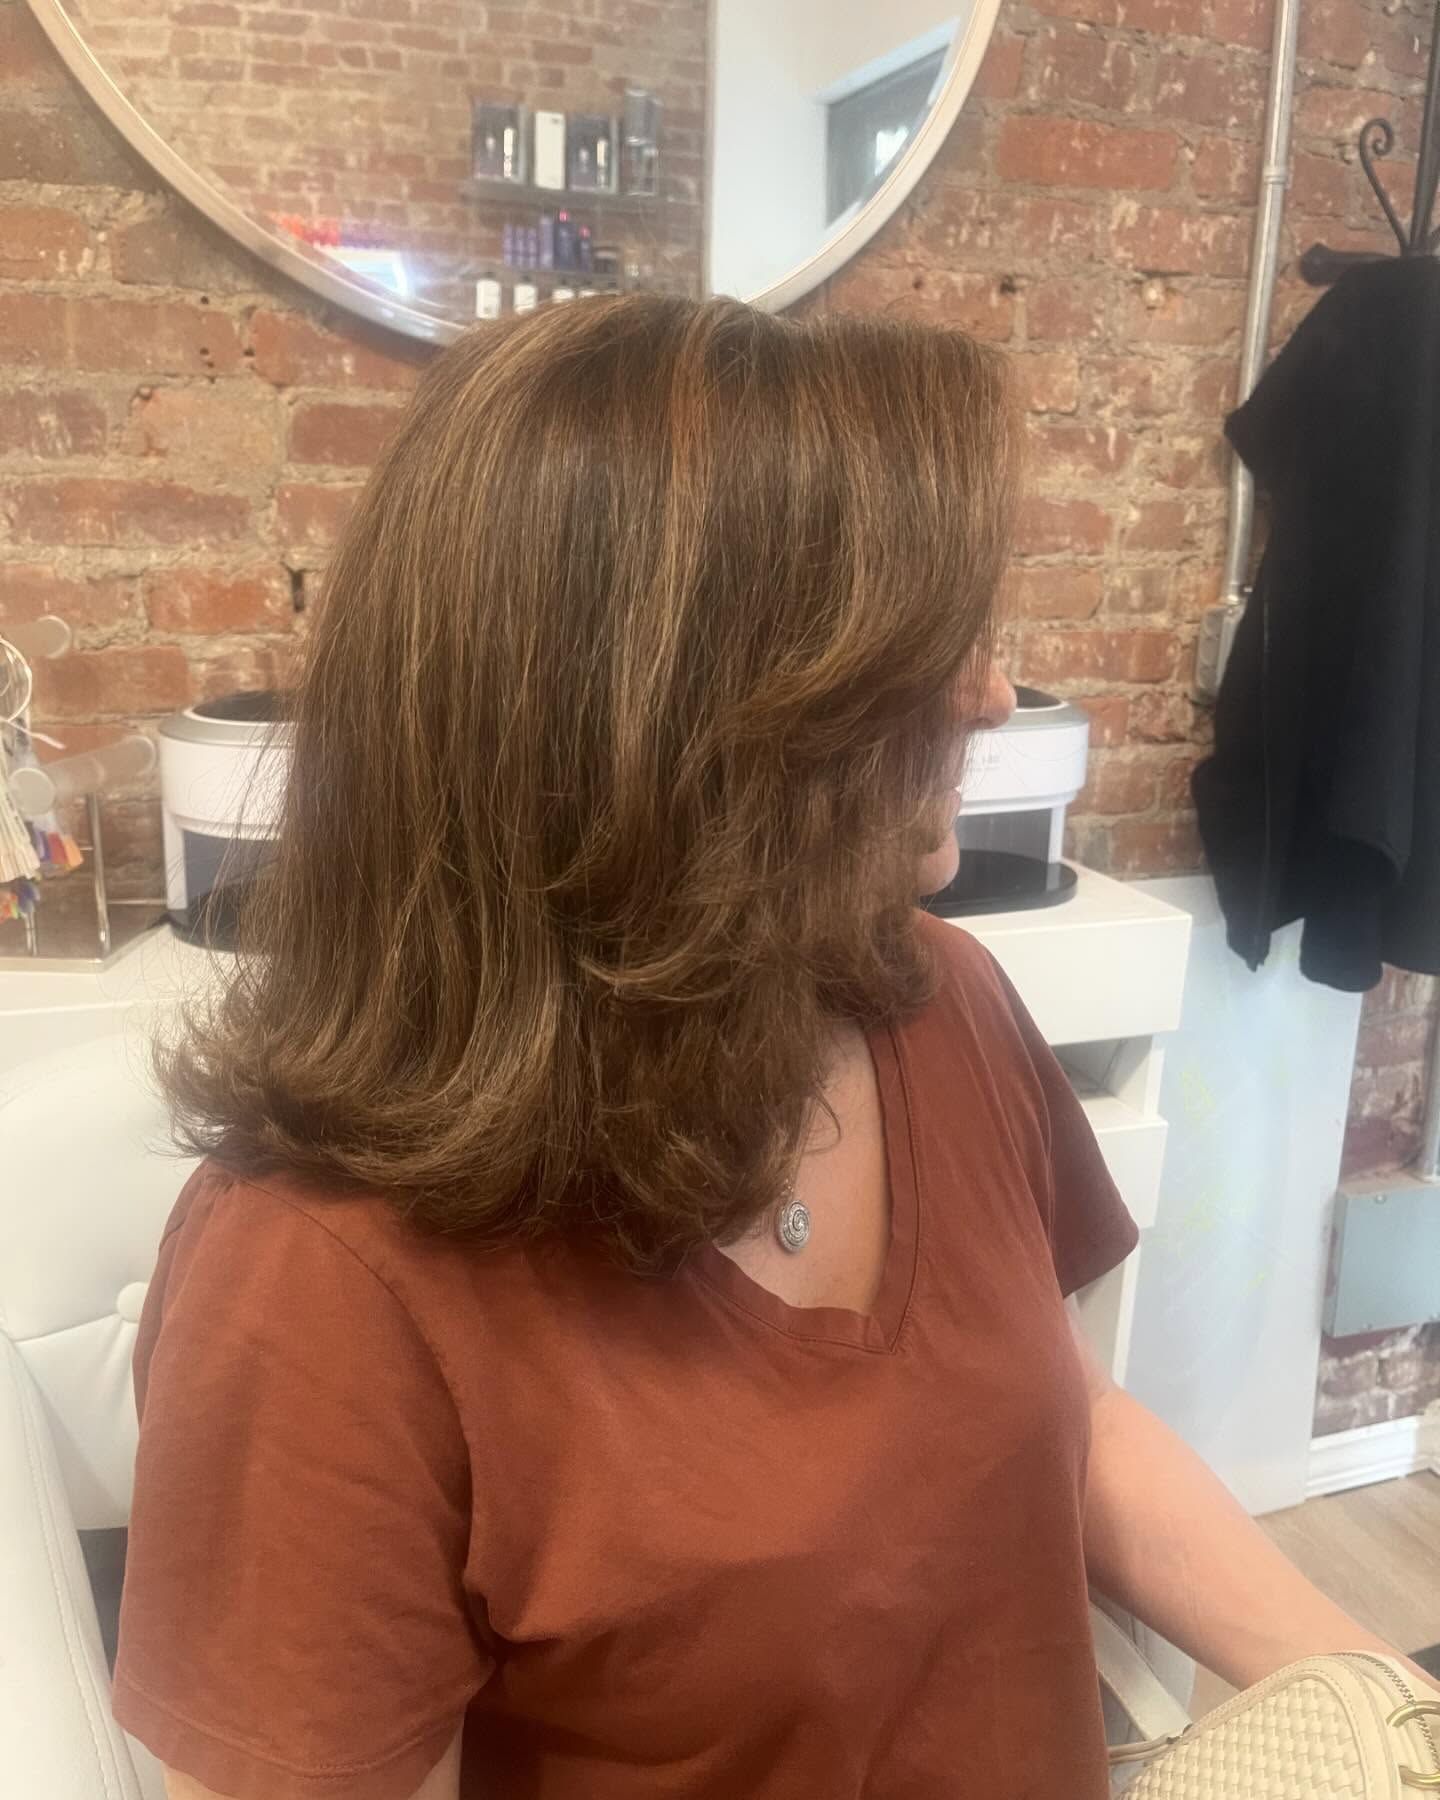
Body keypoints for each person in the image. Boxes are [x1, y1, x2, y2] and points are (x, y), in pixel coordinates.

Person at [114, 296, 1422, 1800]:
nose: (993, 694)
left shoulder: (941, 1000)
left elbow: (1067, 1424)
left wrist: (1383, 1702)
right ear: (677, 723)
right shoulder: (319, 1282)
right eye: (927, 648)